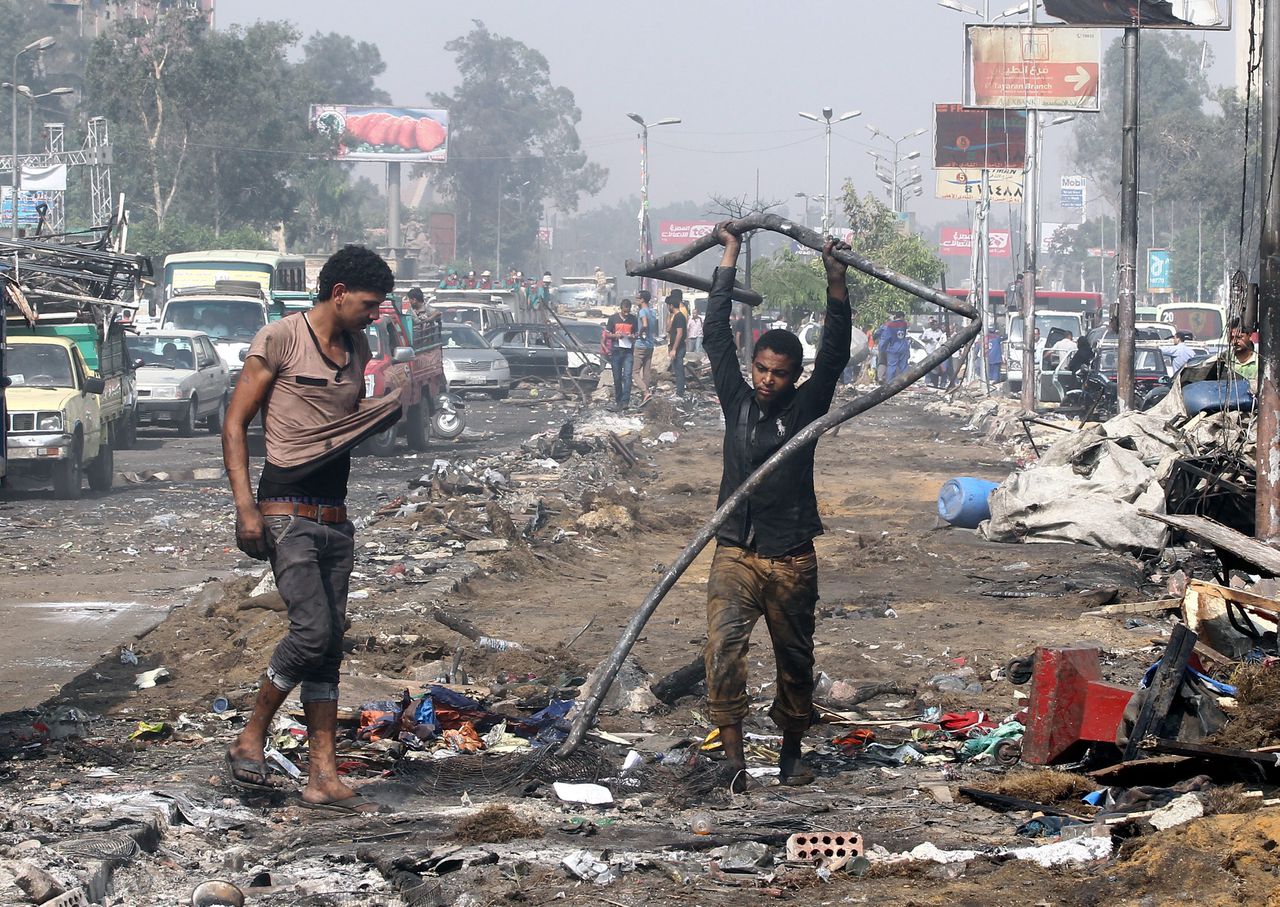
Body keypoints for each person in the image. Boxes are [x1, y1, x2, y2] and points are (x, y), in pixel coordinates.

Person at [222, 245, 402, 814]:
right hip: (286, 512)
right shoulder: (279, 339)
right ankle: (251, 736)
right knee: (311, 633)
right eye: (369, 304)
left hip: (335, 516)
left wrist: (388, 405)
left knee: (328, 650)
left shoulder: (357, 348)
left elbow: (338, 430)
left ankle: (323, 776)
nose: (374, 315)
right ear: (339, 293)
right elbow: (234, 424)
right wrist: (246, 509)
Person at [703, 222, 851, 791]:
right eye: (761, 369)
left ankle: (791, 754)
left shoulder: (807, 407)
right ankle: (734, 764)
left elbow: (834, 354)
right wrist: (730, 253)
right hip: (735, 550)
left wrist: (835, 278)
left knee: (795, 659)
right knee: (723, 649)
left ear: (794, 376)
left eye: (779, 374)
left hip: (791, 556)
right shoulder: (737, 400)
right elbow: (716, 333)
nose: (767, 380)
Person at [605, 298, 638, 409]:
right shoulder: (613, 318)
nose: (626, 314)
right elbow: (607, 334)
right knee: (617, 377)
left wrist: (632, 336)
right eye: (624, 311)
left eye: (628, 311)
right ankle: (618, 400)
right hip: (616, 350)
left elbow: (636, 334)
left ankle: (625, 401)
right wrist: (616, 335)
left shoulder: (633, 319)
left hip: (628, 351)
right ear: (621, 308)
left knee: (627, 376)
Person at [634, 289, 657, 404]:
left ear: (642, 300)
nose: (636, 300)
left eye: (637, 298)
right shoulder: (652, 312)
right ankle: (646, 397)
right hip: (650, 345)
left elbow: (645, 324)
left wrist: (639, 333)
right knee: (646, 372)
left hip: (641, 344)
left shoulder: (642, 311)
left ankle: (645, 392)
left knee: (635, 372)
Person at [875, 312, 911, 384]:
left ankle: (889, 383)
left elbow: (885, 338)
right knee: (904, 366)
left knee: (891, 366)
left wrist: (882, 348)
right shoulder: (904, 324)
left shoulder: (889, 325)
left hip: (893, 349)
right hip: (903, 348)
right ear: (902, 317)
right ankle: (905, 383)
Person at [667, 291, 688, 397]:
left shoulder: (679, 317)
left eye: (668, 305)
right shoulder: (676, 316)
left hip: (679, 348)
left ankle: (680, 392)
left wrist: (674, 349)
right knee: (677, 369)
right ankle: (679, 390)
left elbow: (679, 334)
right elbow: (669, 330)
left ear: (671, 305)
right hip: (677, 347)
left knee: (679, 370)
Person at [1226, 320, 1259, 385]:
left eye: (1239, 337)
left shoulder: (1260, 358)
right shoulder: (1225, 359)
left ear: (1250, 336)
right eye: (1232, 338)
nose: (1234, 342)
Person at [921, 318, 945, 388]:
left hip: (936, 352)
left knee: (935, 368)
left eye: (936, 325)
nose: (935, 326)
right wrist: (928, 340)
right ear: (931, 325)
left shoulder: (939, 332)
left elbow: (941, 339)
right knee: (927, 367)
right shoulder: (927, 331)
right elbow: (923, 339)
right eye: (934, 325)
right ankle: (928, 381)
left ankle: (935, 382)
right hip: (929, 351)